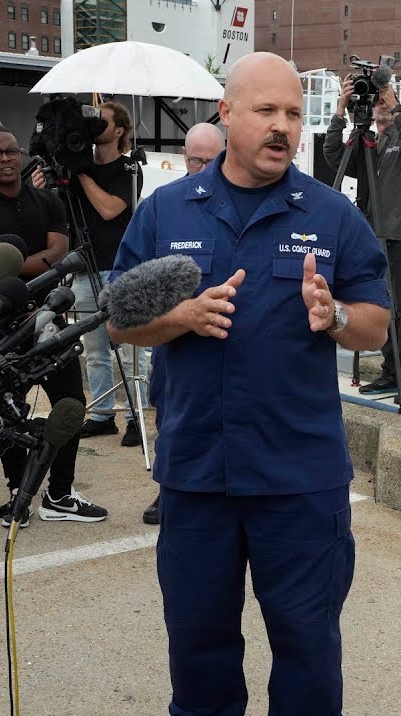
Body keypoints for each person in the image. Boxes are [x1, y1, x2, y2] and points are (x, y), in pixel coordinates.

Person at [108, 52, 391, 716]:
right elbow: (120, 321)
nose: (282, 126)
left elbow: (377, 326)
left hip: (299, 478)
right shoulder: (166, 211)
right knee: (199, 651)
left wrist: (335, 315)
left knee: (308, 652)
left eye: (293, 113)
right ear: (226, 113)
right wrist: (182, 317)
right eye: (266, 110)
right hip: (198, 474)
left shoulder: (332, 214)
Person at [0, 125, 107, 524]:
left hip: (49, 320)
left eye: (11, 150)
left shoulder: (48, 201)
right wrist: (23, 268)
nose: (6, 158)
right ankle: (17, 495)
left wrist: (8, 265)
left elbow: (59, 253)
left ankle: (60, 494)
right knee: (8, 412)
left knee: (71, 403)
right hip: (0, 329)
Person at [139, 120, 227, 527]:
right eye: (196, 161)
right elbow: (129, 296)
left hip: (225, 345)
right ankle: (168, 488)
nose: (203, 169)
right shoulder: (165, 208)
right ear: (183, 158)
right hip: (173, 344)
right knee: (170, 417)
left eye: (212, 160)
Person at [324, 74, 401, 403]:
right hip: (375, 235)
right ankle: (391, 372)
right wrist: (341, 108)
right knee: (384, 305)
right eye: (378, 101)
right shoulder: (373, 144)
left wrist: (394, 105)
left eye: (384, 100)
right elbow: (333, 155)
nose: (380, 106)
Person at [69, 100, 149, 448]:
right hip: (85, 268)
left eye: (102, 122)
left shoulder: (129, 169)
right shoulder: (78, 168)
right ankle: (102, 414)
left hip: (121, 268)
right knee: (94, 350)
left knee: (131, 350)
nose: (95, 127)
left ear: (120, 130)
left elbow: (108, 209)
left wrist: (81, 174)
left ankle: (135, 416)